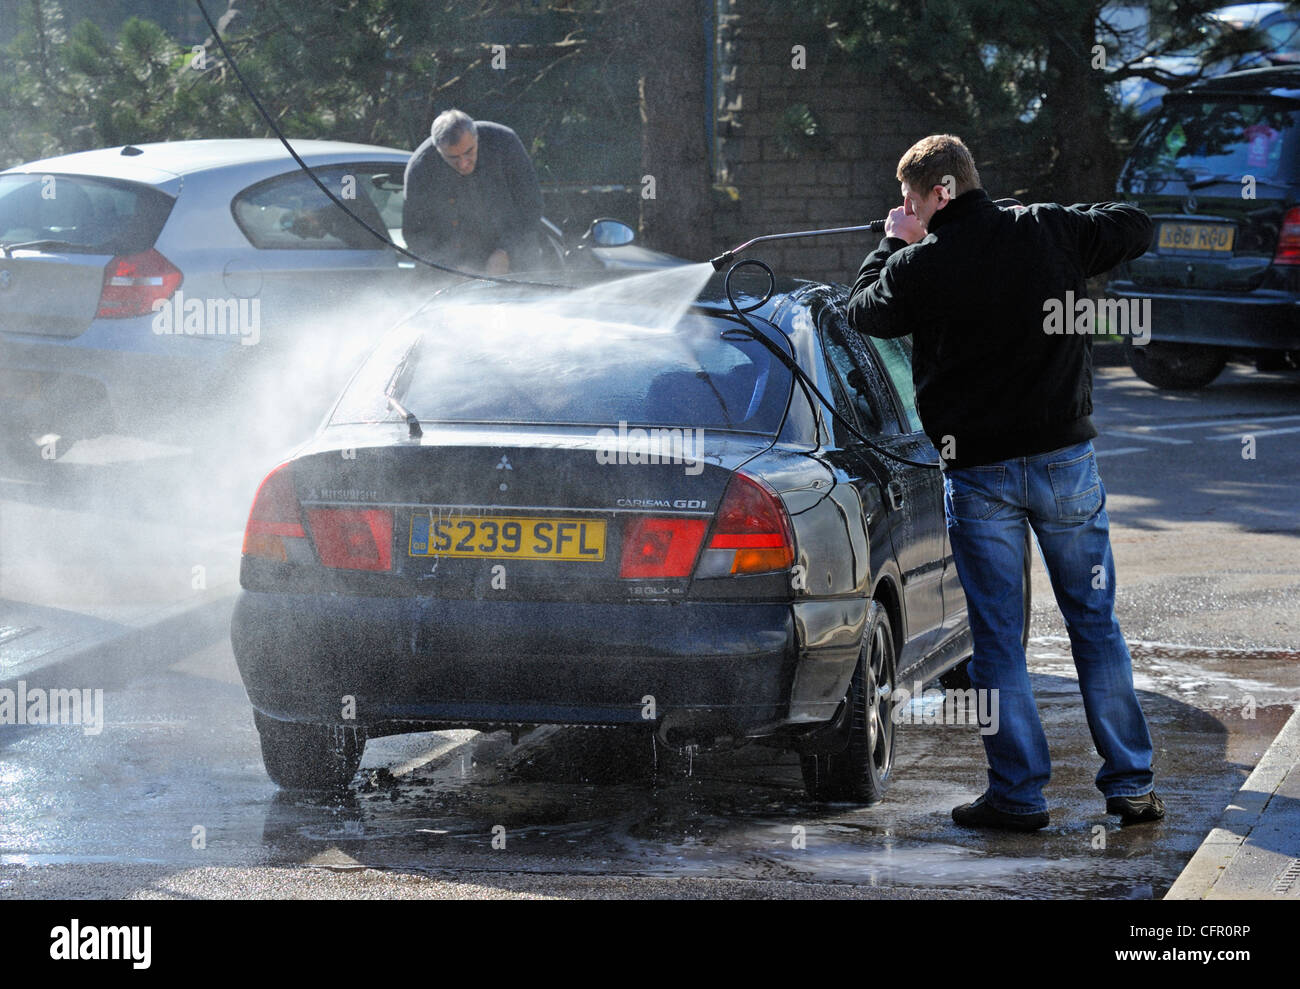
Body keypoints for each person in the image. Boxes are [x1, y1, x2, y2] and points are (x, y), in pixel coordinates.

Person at [846, 134, 1163, 831]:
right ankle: (1131, 786)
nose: (907, 212)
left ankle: (1019, 795)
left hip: (979, 471)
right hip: (1064, 464)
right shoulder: (1048, 228)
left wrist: (892, 244)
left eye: (911, 201)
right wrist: (1051, 214)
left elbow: (861, 312)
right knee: (1094, 622)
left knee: (996, 638)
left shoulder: (920, 265)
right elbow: (1136, 224)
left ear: (940, 193)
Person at [402, 109, 543, 275]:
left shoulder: (505, 144)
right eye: (453, 158)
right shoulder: (420, 169)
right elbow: (415, 234)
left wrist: (506, 250)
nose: (463, 164)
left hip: (515, 264)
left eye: (469, 152)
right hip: (454, 272)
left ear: (477, 138)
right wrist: (450, 267)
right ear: (438, 150)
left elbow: (531, 206)